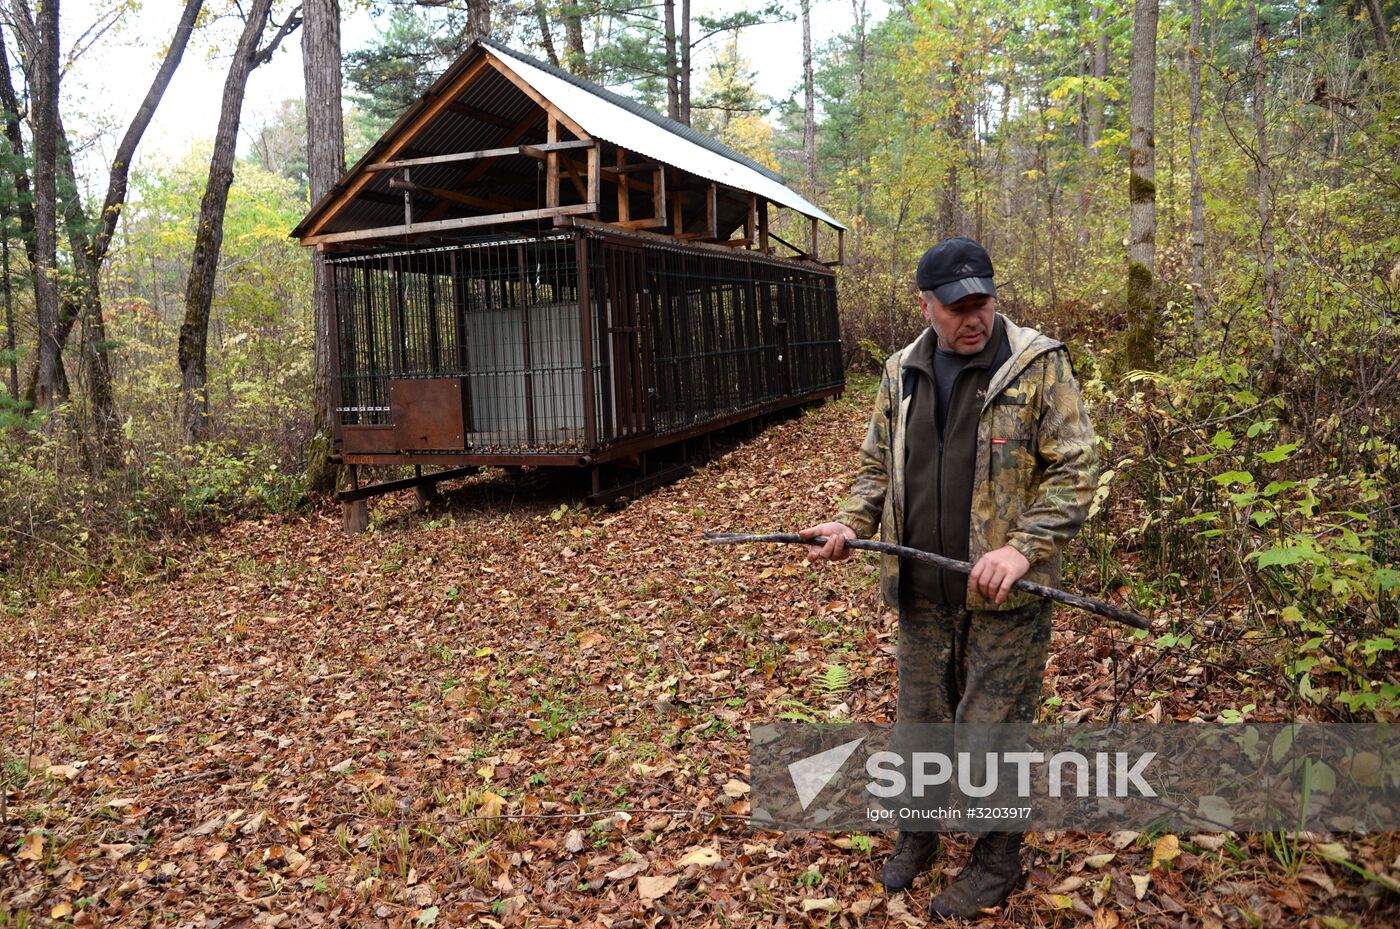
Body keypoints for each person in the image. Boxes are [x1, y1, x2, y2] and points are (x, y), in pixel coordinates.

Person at [800, 237, 1099, 919]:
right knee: (921, 726)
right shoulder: (899, 372)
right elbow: (877, 467)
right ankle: (919, 833)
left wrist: (1023, 548)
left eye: (983, 300)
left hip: (1006, 598)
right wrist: (850, 523)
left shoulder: (1038, 366)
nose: (976, 316)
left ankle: (996, 859)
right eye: (959, 305)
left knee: (991, 732)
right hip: (921, 590)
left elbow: (1078, 470)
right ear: (926, 305)